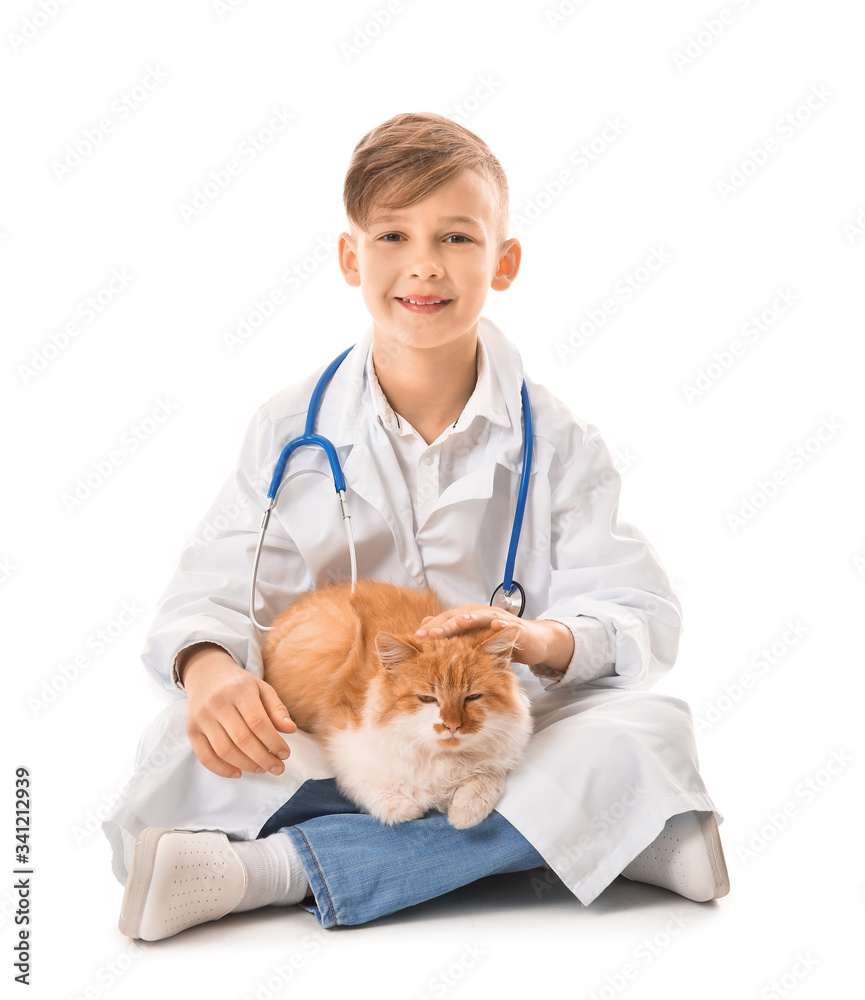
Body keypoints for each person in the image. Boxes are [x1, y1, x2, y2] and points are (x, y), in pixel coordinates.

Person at [105, 112, 729, 941]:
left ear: (503, 261)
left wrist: (537, 639)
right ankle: (597, 836)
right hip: (345, 739)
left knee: (642, 732)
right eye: (393, 233)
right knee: (181, 749)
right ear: (350, 256)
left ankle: (271, 872)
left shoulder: (559, 442)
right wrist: (211, 667)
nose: (423, 266)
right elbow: (209, 589)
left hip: (501, 734)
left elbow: (642, 616)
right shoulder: (292, 428)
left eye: (458, 237)